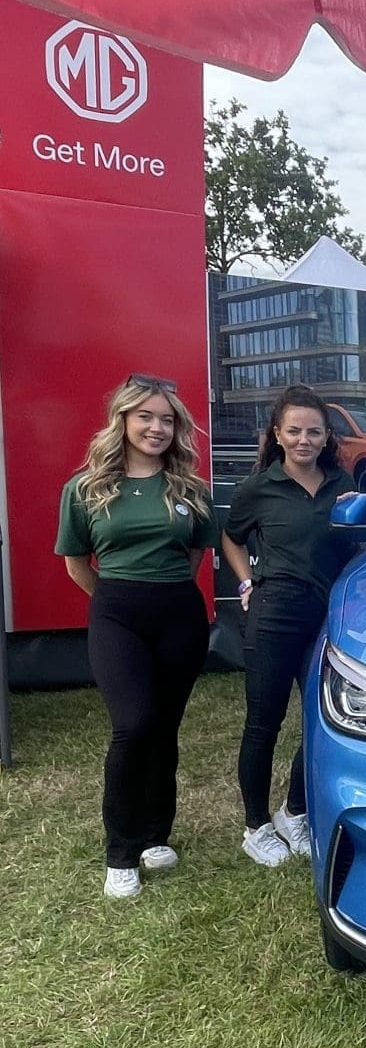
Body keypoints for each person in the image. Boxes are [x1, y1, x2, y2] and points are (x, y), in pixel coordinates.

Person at [55, 375, 219, 900]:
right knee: (133, 724)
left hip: (178, 614)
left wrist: (163, 589)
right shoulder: (85, 489)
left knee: (165, 726)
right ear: (123, 420)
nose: (157, 427)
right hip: (117, 615)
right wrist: (117, 596)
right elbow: (76, 562)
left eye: (167, 419)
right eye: (146, 416)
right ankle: (120, 852)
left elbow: (196, 553)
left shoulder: (190, 488)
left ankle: (154, 835)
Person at [222, 385, 357, 867]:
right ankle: (255, 826)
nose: (304, 439)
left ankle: (293, 811)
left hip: (326, 619)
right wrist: (245, 583)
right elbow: (231, 537)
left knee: (320, 722)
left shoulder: (344, 486)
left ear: (326, 437)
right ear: (277, 434)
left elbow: (359, 547)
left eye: (314, 431)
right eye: (294, 430)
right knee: (264, 724)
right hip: (274, 615)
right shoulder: (259, 488)